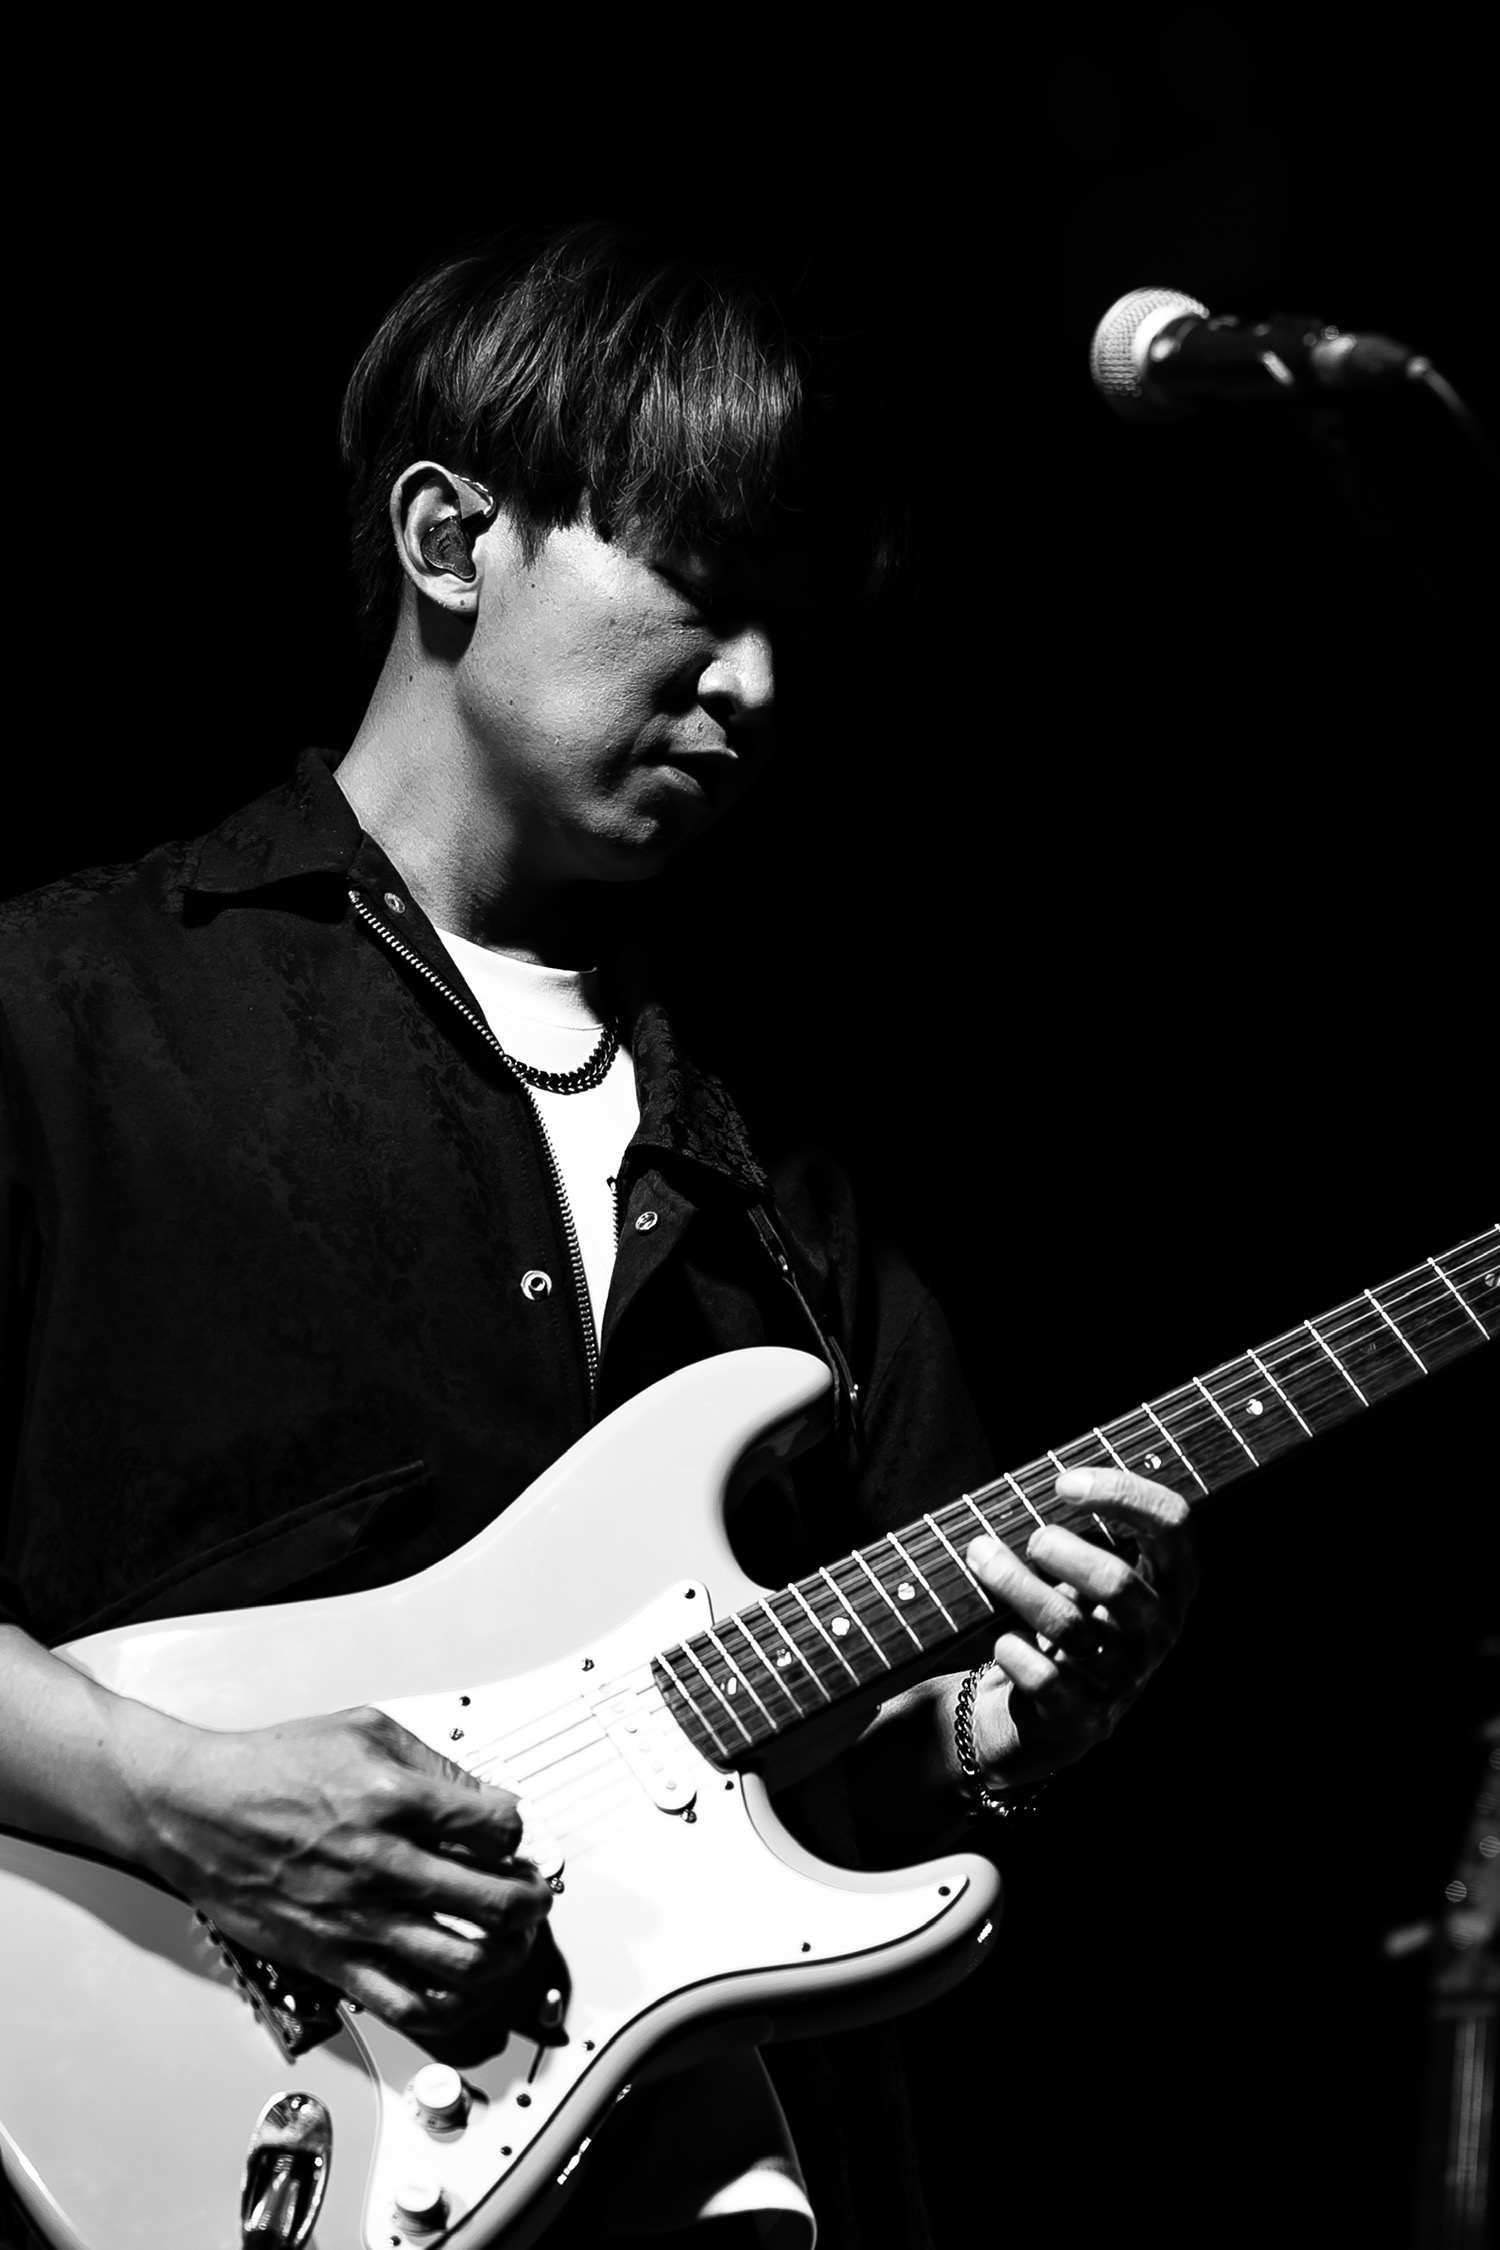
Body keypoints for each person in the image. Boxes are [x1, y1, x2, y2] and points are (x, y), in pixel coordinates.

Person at [0, 220, 1195, 2248]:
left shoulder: (794, 1207)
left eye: (793, 626)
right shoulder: (68, 1017)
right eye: (705, 589)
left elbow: (805, 1791)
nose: (757, 685)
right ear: (450, 540)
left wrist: (992, 1738)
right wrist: (166, 1793)